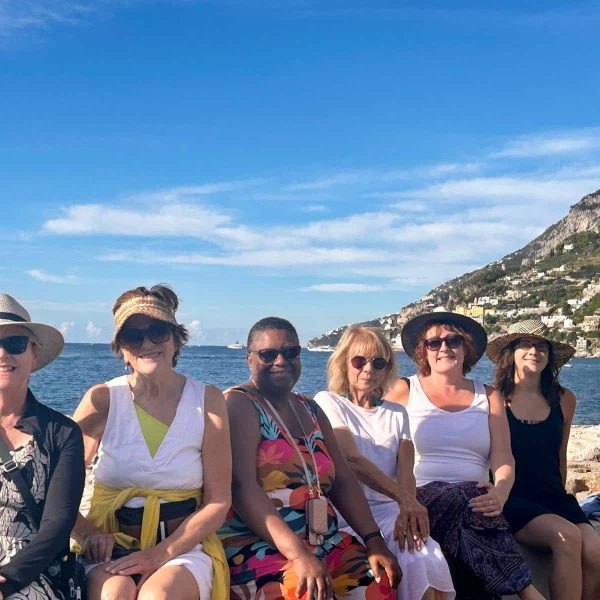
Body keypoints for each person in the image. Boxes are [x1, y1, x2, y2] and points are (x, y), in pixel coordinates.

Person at [219, 316, 402, 600]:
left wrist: (373, 538)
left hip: (323, 541)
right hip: (260, 545)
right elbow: (242, 488)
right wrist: (300, 555)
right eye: (268, 354)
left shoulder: (311, 408)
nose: (281, 360)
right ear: (250, 360)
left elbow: (342, 480)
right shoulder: (240, 404)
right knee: (307, 592)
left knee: (379, 584)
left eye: (291, 352)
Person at [71, 285, 231, 600]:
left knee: (157, 596)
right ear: (122, 348)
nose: (147, 344)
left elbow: (218, 501)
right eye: (133, 336)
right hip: (109, 546)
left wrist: (159, 555)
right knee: (115, 594)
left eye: (158, 331)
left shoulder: (207, 400)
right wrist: (88, 534)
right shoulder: (102, 399)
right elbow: (58, 484)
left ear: (175, 338)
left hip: (181, 548)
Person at [386, 310, 542, 600]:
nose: (443, 347)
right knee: (465, 494)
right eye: (434, 343)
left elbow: (504, 457)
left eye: (452, 340)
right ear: (424, 351)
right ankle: (526, 590)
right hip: (419, 499)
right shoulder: (405, 390)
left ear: (465, 346)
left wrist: (501, 492)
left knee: (471, 505)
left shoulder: (489, 395)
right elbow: (378, 441)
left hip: (475, 505)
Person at [314, 325, 455, 600]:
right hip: (348, 512)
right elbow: (351, 460)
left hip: (391, 511)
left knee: (427, 557)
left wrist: (408, 507)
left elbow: (406, 467)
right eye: (359, 361)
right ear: (344, 362)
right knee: (400, 568)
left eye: (378, 362)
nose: (368, 369)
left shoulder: (397, 413)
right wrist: (406, 499)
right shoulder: (328, 403)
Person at [487, 319, 600, 600]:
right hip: (513, 497)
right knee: (567, 537)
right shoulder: (494, 399)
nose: (534, 351)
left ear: (549, 356)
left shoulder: (564, 399)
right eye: (525, 344)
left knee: (595, 551)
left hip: (553, 495)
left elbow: (560, 453)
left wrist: (561, 496)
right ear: (511, 353)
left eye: (541, 346)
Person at [0, 293, 85, 599]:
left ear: (33, 355)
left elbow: (58, 524)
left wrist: (7, 580)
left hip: (29, 571)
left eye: (15, 344)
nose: (3, 353)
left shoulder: (62, 434)